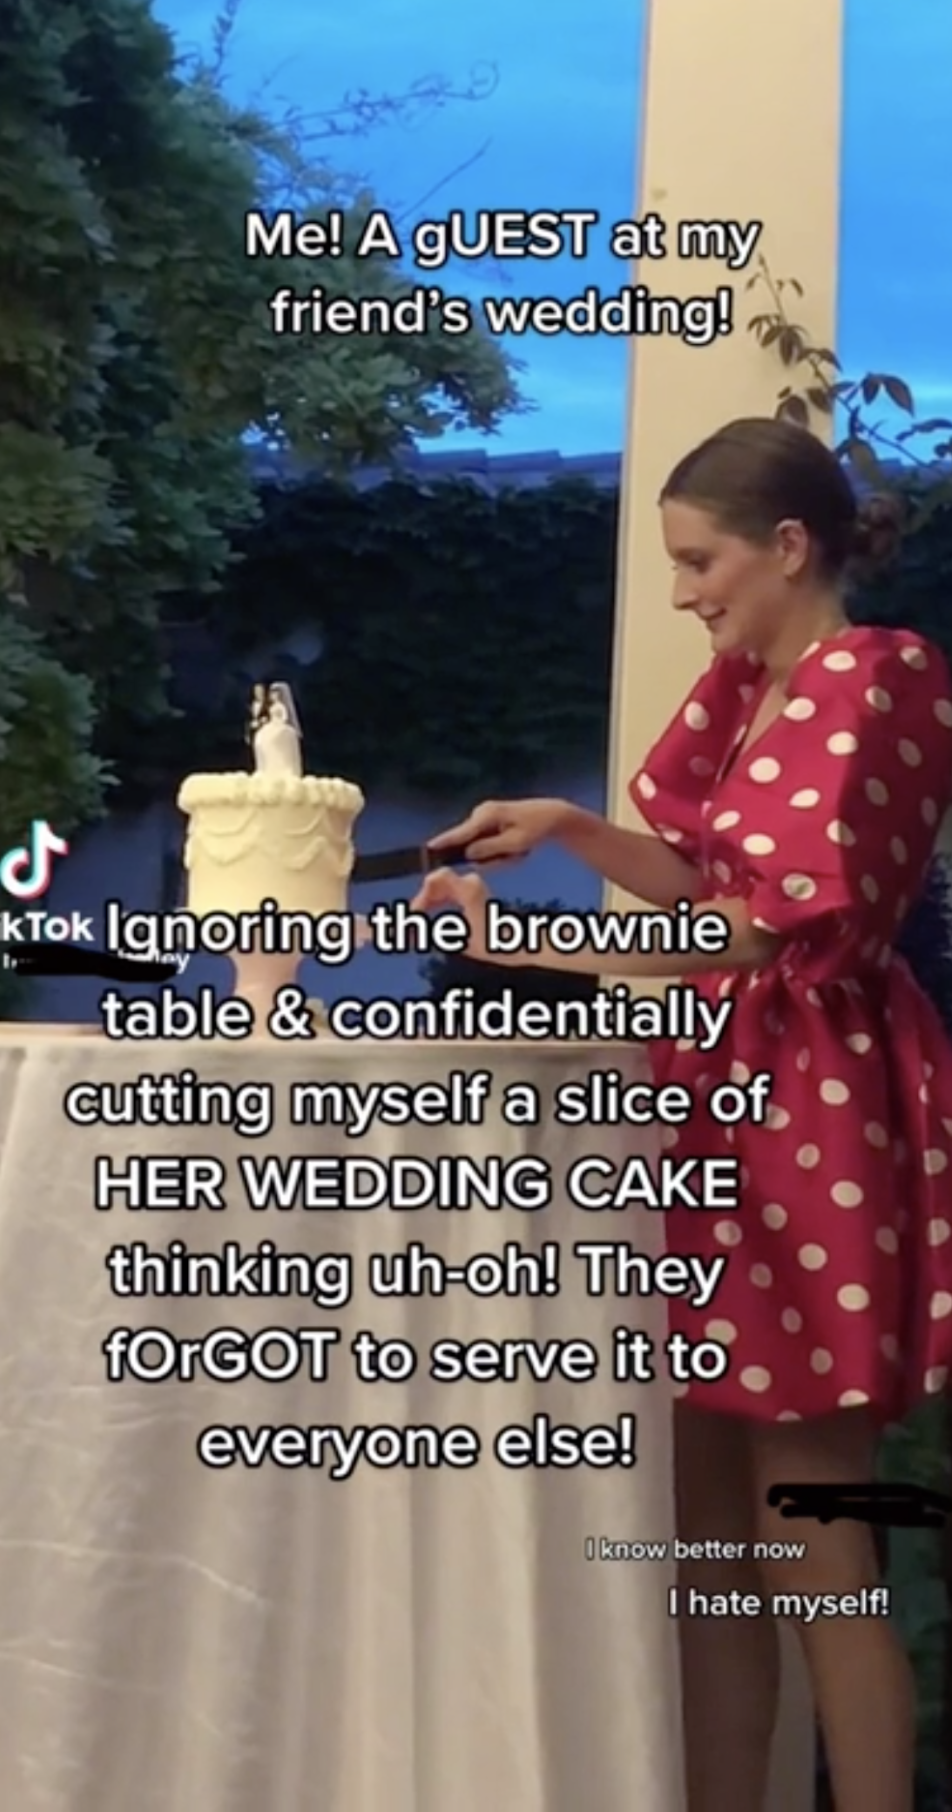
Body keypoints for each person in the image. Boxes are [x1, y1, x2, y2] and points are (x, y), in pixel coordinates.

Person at [412, 417, 952, 1812]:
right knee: (709, 1541)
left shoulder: (876, 680)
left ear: (788, 545)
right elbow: (714, 881)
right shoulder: (755, 686)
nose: (682, 592)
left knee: (812, 1531)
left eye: (699, 560)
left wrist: (523, 955)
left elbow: (761, 938)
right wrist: (571, 829)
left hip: (807, 1115)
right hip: (718, 1104)